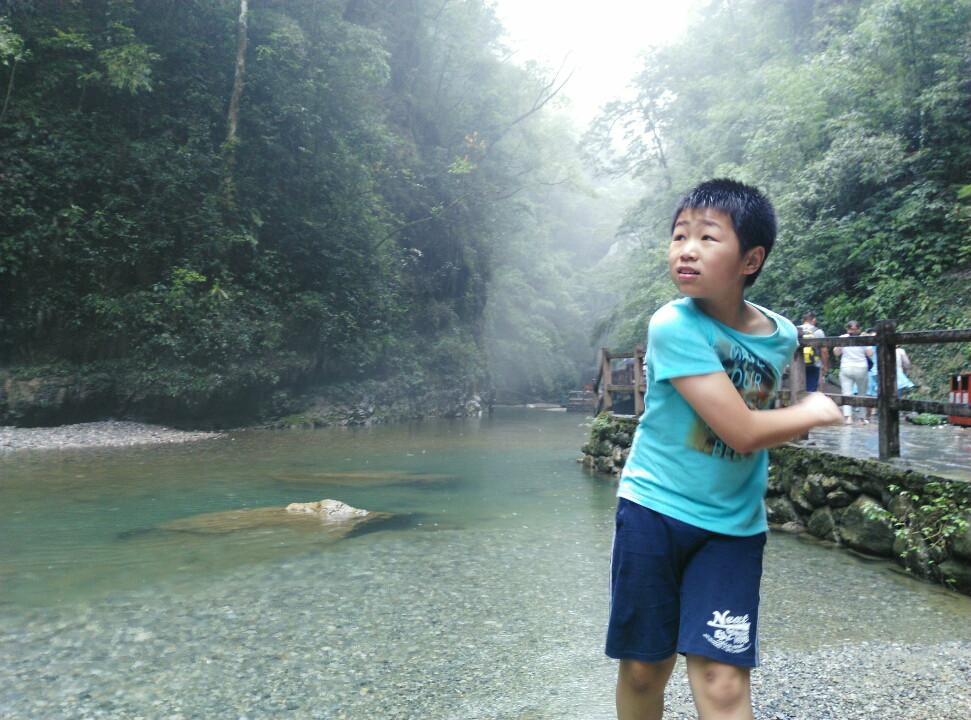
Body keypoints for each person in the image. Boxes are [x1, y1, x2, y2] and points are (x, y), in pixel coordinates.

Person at [605, 179, 842, 720]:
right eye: (679, 236)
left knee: (724, 681)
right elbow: (741, 430)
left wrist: (797, 408)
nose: (686, 249)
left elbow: (755, 409)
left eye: (708, 238)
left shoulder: (781, 335)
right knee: (645, 668)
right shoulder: (672, 324)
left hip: (732, 528)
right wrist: (813, 410)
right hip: (653, 511)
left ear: (750, 259)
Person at [832, 321, 873, 425]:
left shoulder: (842, 337)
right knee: (862, 394)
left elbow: (836, 352)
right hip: (861, 368)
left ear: (847, 329)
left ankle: (848, 418)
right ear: (859, 329)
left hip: (846, 367)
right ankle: (861, 419)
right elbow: (870, 353)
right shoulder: (863, 338)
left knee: (846, 393)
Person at [797, 311, 828, 392]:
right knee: (811, 390)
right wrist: (824, 365)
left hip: (796, 364)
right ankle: (808, 403)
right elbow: (824, 350)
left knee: (797, 390)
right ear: (814, 320)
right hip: (813, 364)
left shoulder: (795, 330)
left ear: (802, 320)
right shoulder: (818, 332)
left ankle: (798, 404)